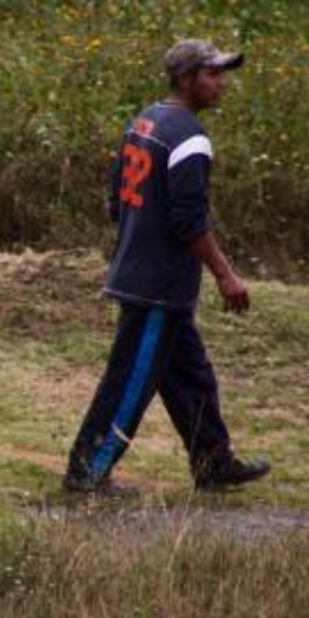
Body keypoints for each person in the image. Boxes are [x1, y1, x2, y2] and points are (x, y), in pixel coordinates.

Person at [63, 40, 271, 493]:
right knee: (130, 381)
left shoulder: (145, 119)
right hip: (156, 285)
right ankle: (86, 472)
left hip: (146, 275)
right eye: (212, 74)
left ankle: (213, 463)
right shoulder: (190, 138)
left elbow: (116, 198)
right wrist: (226, 275)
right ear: (186, 79)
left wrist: (135, 243)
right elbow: (189, 221)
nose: (221, 83)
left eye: (222, 72)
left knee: (191, 375)